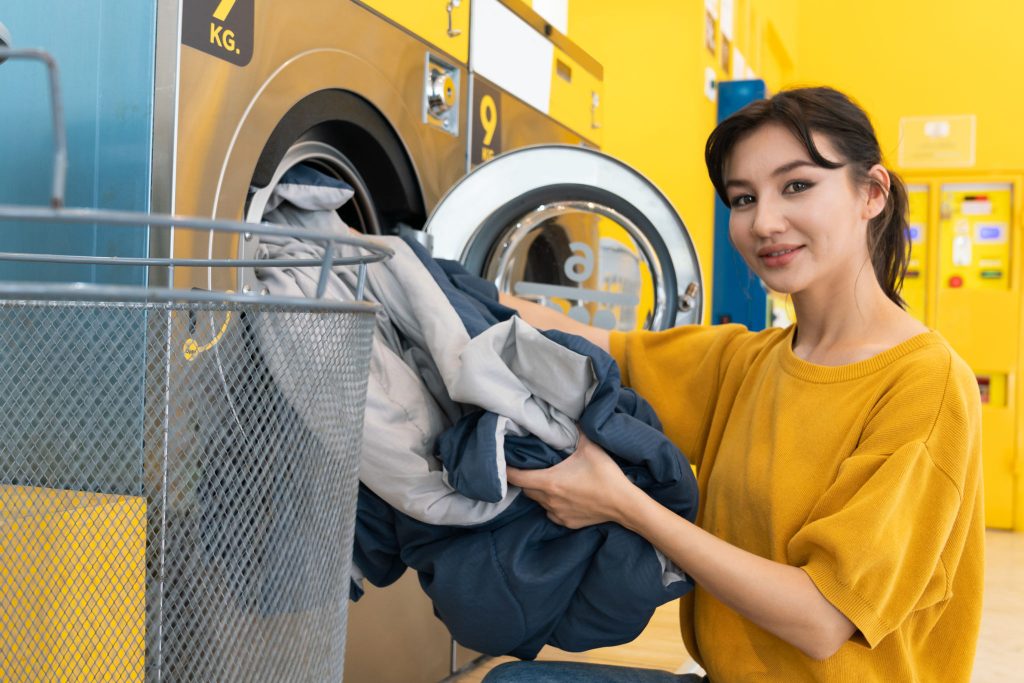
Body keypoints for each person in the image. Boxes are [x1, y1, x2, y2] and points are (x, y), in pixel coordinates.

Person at [484, 87, 984, 682]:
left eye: (796, 185)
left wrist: (622, 503)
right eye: (743, 198)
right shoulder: (750, 360)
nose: (764, 222)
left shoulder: (924, 384)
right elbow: (595, 345)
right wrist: (423, 278)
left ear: (870, 193)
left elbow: (822, 618)